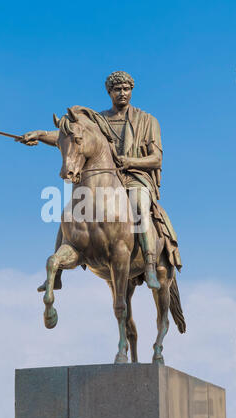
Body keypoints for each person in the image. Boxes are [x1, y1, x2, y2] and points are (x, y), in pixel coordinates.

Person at [20, 71, 169, 290]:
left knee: (139, 203)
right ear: (109, 92)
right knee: (72, 213)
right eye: (117, 89)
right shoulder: (98, 121)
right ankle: (57, 273)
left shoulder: (147, 120)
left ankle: (149, 263)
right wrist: (40, 134)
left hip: (134, 177)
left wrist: (129, 161)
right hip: (105, 181)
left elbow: (156, 159)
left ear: (132, 91)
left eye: (126, 89)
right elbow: (70, 136)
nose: (122, 93)